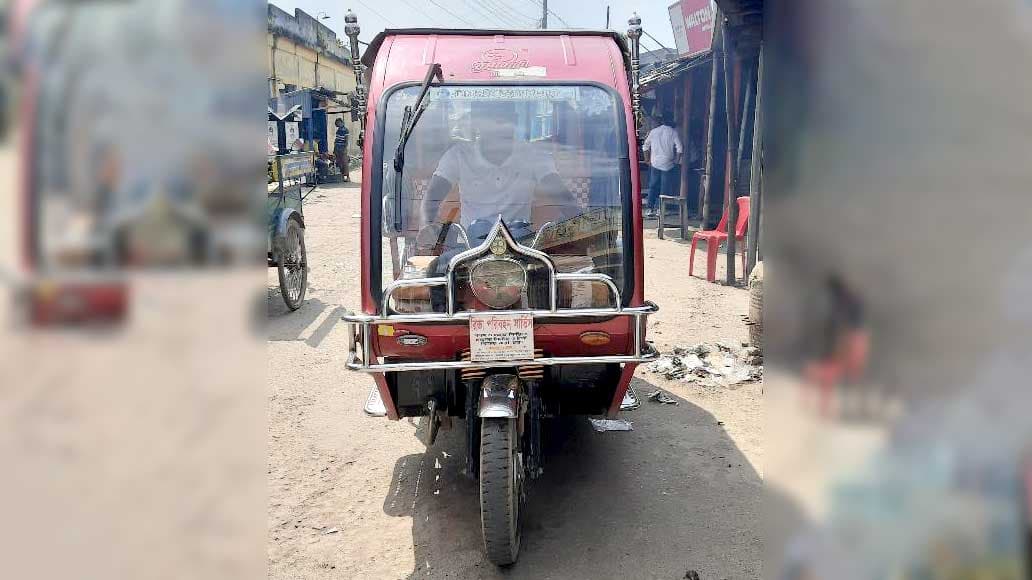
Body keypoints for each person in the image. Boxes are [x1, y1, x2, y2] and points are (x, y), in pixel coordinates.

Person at [421, 101, 579, 235]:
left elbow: (563, 199)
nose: (498, 126)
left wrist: (581, 226)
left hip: (520, 241)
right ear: (477, 124)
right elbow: (431, 198)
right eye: (490, 120)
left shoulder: (534, 155)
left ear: (515, 121)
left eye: (504, 120)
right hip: (471, 244)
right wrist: (427, 229)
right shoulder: (458, 155)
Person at [643, 114, 683, 218]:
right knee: (664, 188)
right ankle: (660, 209)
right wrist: (676, 161)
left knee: (653, 186)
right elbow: (680, 148)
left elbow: (645, 146)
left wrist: (647, 159)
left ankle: (649, 209)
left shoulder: (653, 132)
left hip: (655, 163)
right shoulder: (673, 132)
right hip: (668, 164)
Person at [333, 118, 350, 182]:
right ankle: (342, 176)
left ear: (341, 122)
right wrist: (334, 149)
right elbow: (336, 140)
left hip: (342, 148)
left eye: (338, 123)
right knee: (339, 163)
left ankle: (347, 177)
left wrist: (345, 148)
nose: (337, 124)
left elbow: (346, 140)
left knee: (345, 162)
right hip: (337, 148)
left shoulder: (346, 130)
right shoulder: (338, 130)